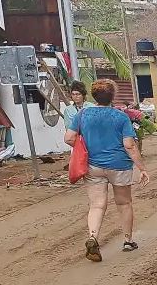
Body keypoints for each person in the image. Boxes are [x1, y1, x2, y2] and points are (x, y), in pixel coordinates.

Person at [64, 79, 150, 262]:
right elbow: (129, 146)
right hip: (119, 166)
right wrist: (142, 168)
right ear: (113, 96)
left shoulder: (83, 115)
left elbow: (69, 138)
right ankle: (128, 241)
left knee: (96, 205)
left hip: (93, 167)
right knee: (123, 203)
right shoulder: (120, 117)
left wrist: (86, 147)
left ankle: (93, 237)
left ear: (93, 96)